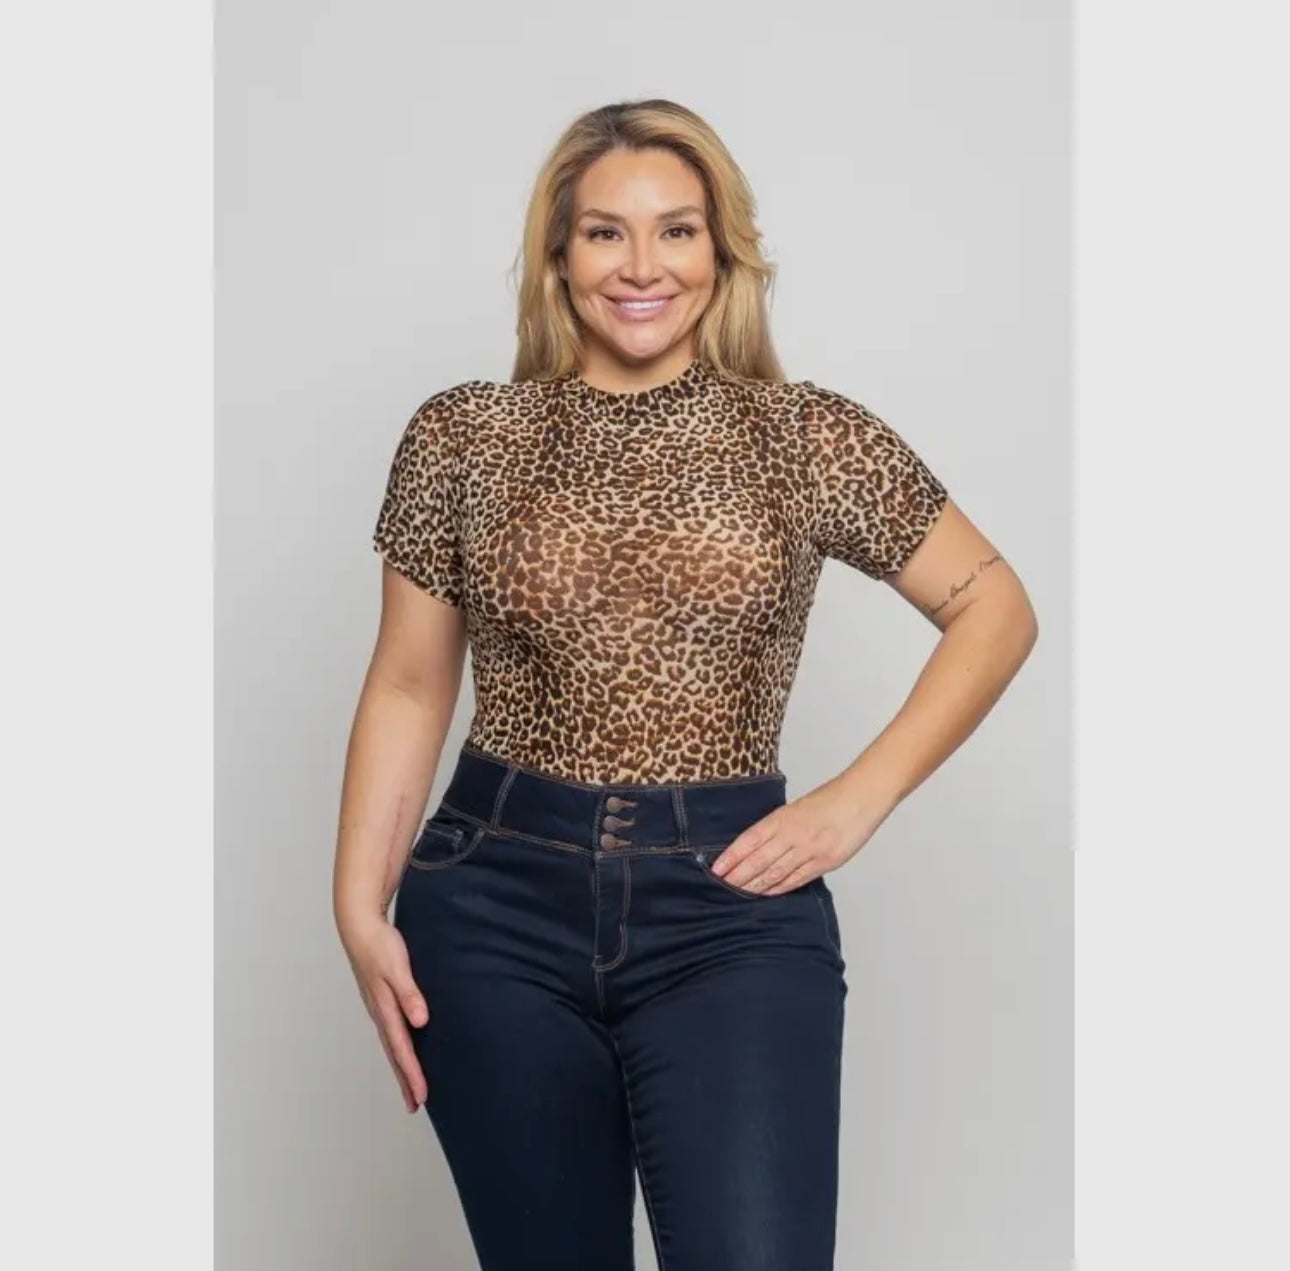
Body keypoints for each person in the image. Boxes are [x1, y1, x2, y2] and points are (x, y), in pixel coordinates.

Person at [333, 98, 1038, 1271]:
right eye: (605, 232)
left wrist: (854, 799)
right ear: (560, 256)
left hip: (729, 906)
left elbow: (996, 607)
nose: (641, 266)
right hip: (493, 901)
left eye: (677, 229)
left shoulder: (806, 436)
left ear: (723, 250)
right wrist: (359, 907)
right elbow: (408, 685)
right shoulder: (464, 436)